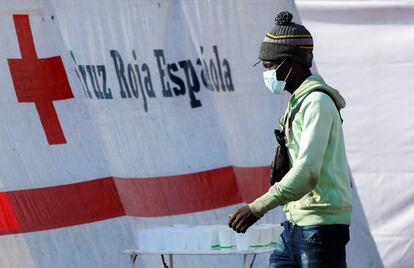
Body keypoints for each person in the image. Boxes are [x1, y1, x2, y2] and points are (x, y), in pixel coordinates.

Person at [228, 11, 352, 268]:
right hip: (296, 226)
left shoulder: (317, 102)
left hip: (320, 230)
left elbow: (307, 172)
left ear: (291, 63)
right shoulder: (299, 101)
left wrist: (256, 209)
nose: (266, 73)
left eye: (269, 66)